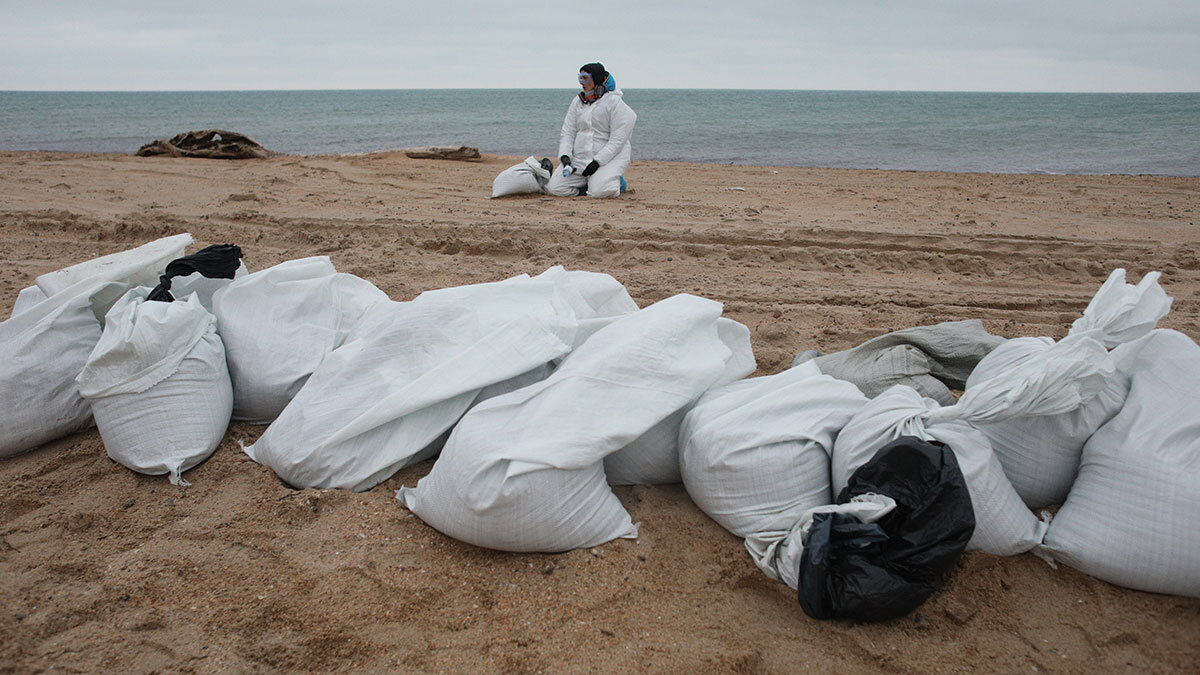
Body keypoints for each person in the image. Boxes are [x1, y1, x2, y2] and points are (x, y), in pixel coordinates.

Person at [546, 62, 637, 198]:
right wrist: (565, 155)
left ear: (597, 79)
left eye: (586, 78)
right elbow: (568, 131)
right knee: (554, 188)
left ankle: (618, 182)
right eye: (580, 78)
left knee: (601, 192)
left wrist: (597, 162)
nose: (582, 82)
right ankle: (586, 186)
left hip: (607, 159)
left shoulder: (614, 103)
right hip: (581, 159)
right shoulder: (578, 102)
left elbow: (618, 140)